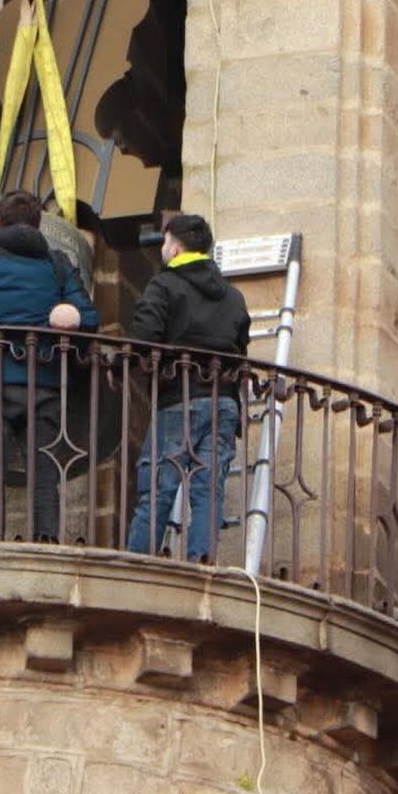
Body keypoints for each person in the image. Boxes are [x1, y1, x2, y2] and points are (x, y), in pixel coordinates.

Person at [0, 190, 100, 542]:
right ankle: (46, 539)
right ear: (39, 225)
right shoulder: (58, 262)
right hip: (42, 384)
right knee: (44, 471)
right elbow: (88, 319)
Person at [125, 212, 250, 562]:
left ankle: (137, 562)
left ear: (176, 248)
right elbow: (241, 347)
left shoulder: (163, 285)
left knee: (158, 488)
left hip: (179, 399)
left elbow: (144, 337)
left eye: (165, 242)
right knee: (209, 487)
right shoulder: (233, 297)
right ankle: (202, 561)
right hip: (223, 403)